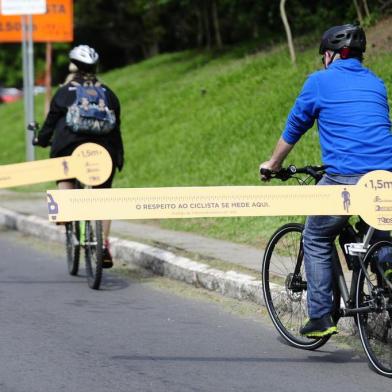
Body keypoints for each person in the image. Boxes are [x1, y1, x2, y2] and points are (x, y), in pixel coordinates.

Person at [260, 24, 392, 338]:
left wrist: (273, 164)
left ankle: (320, 316)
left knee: (317, 236)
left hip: (344, 179)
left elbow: (295, 126)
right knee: (381, 233)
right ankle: (384, 273)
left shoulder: (319, 82)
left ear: (330, 55)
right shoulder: (376, 83)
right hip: (385, 178)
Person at [35, 45, 124, 269]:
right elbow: (116, 128)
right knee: (103, 195)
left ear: (73, 65)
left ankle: (65, 212)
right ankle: (103, 244)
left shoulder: (66, 91)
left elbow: (50, 123)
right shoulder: (108, 94)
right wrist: (118, 157)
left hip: (70, 148)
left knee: (66, 175)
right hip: (103, 152)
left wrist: (42, 139)